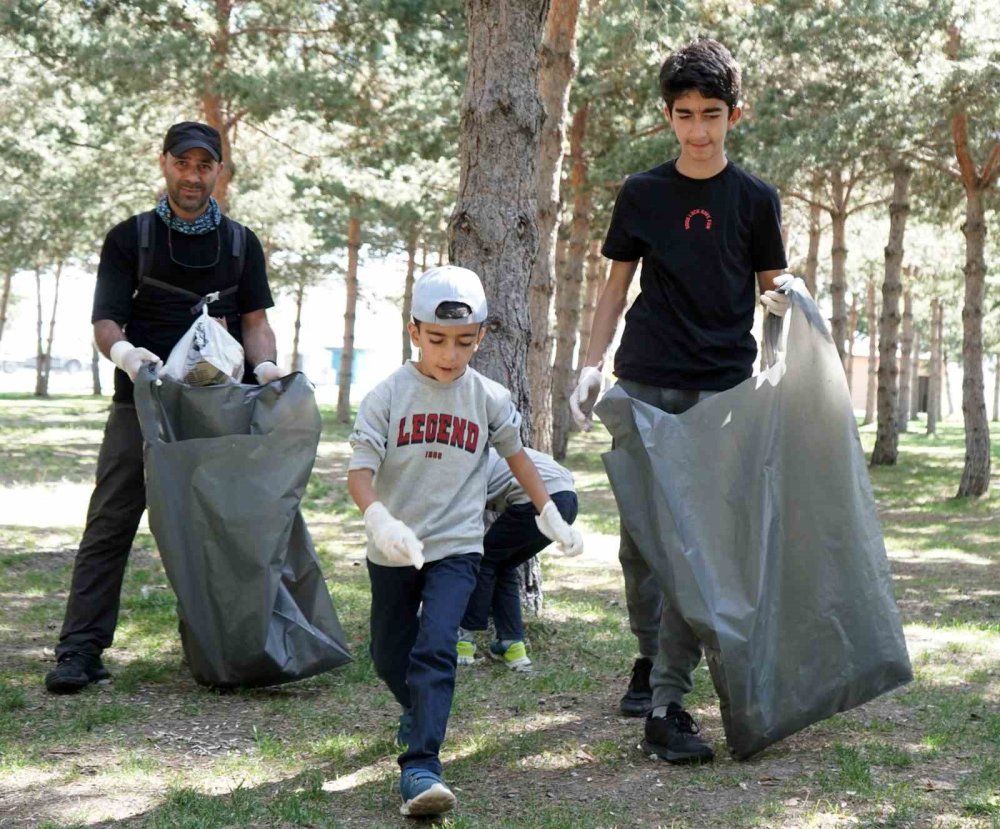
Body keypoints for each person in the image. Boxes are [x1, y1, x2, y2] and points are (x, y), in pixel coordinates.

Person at [569, 39, 791, 763]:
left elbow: (773, 295)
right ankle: (648, 658)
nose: (699, 130)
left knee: (694, 545)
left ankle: (669, 689)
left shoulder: (755, 199)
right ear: (668, 116)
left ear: (735, 114)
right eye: (686, 115)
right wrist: (592, 363)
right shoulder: (642, 192)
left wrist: (780, 354)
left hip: (721, 388)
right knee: (643, 542)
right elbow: (614, 286)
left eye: (713, 114)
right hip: (645, 377)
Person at [45, 122, 282, 694]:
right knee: (110, 523)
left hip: (218, 411)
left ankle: (228, 650)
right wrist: (125, 354)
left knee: (220, 530)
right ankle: (80, 650)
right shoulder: (131, 238)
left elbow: (255, 323)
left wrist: (269, 368)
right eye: (183, 163)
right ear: (164, 164)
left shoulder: (240, 243)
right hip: (140, 403)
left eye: (205, 165)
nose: (193, 175)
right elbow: (106, 320)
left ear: (219, 172)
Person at [347, 265, 583, 818]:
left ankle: (421, 767)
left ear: (480, 335)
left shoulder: (489, 397)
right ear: (414, 332)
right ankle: (420, 711)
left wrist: (548, 511)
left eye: (463, 341)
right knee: (390, 657)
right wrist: (380, 519)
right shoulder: (386, 397)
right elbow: (359, 472)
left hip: (457, 546)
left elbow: (516, 456)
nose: (450, 354)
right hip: (394, 547)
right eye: (436, 340)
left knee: (437, 644)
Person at [457, 447, 579, 672]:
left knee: (484, 560)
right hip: (568, 500)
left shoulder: (464, 466)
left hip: (541, 502)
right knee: (504, 565)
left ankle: (463, 641)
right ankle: (512, 645)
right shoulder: (490, 455)